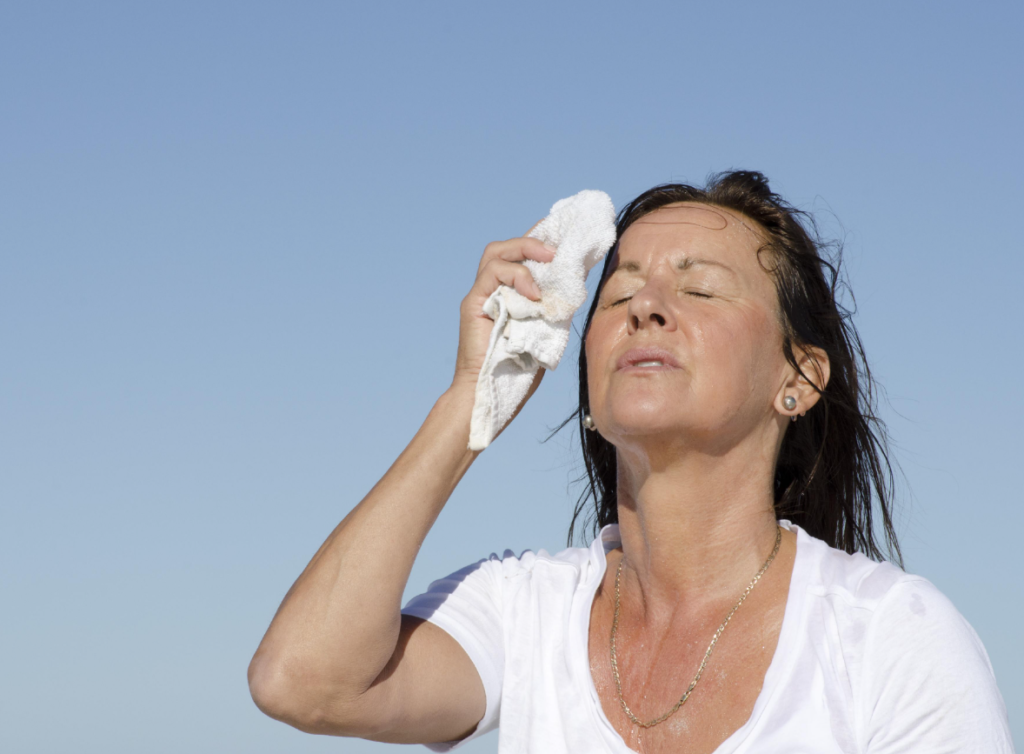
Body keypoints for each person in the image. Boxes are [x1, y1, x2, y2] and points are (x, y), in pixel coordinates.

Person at [247, 172, 1014, 753]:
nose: (646, 306)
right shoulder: (524, 611)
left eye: (700, 289)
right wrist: (469, 403)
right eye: (617, 295)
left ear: (799, 378)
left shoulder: (890, 639)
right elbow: (303, 681)